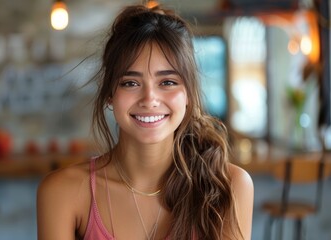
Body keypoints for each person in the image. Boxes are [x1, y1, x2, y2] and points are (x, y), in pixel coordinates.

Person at [37, 4, 254, 240]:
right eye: (130, 83)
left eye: (168, 82)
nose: (150, 99)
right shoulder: (63, 192)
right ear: (110, 93)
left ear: (189, 95)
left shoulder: (230, 187)